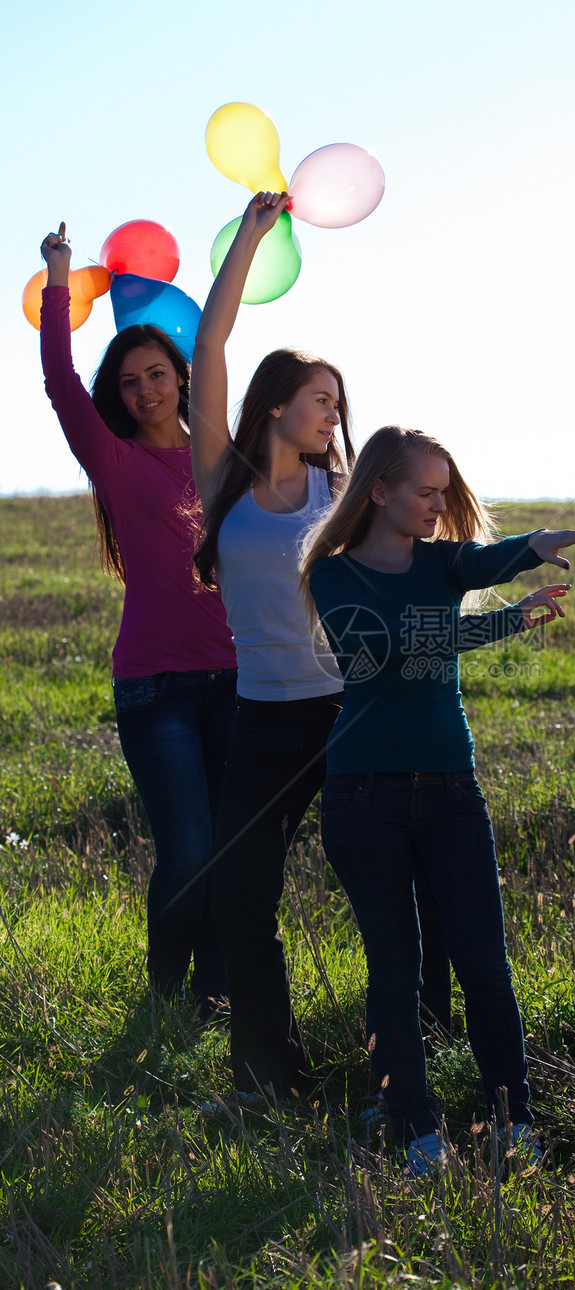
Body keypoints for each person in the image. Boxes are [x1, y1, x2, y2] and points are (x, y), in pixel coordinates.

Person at [302, 425, 575, 1173]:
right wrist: (505, 620)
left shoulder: (445, 563)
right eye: (426, 492)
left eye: (446, 492)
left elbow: (483, 558)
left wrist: (538, 541)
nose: (440, 507)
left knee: (483, 963)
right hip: (362, 795)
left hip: (450, 793)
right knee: (395, 967)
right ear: (379, 491)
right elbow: (389, 649)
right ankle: (415, 1130)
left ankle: (516, 1122)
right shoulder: (335, 575)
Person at [38, 224, 238, 1017]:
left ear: (182, 378)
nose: (145, 391)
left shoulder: (225, 454)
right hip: (155, 688)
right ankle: (163, 995)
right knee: (188, 848)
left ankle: (215, 994)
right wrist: (59, 278)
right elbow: (59, 381)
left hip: (237, 680)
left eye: (157, 374)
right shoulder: (115, 462)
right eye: (129, 383)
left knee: (229, 848)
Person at [189, 191, 358, 1101]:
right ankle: (266, 1077)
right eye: (320, 400)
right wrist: (250, 240)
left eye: (338, 401)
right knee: (241, 897)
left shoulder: (345, 484)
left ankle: (399, 1061)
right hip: (263, 720)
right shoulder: (223, 475)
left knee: (383, 890)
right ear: (277, 405)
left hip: (349, 712)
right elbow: (208, 350)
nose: (334, 414)